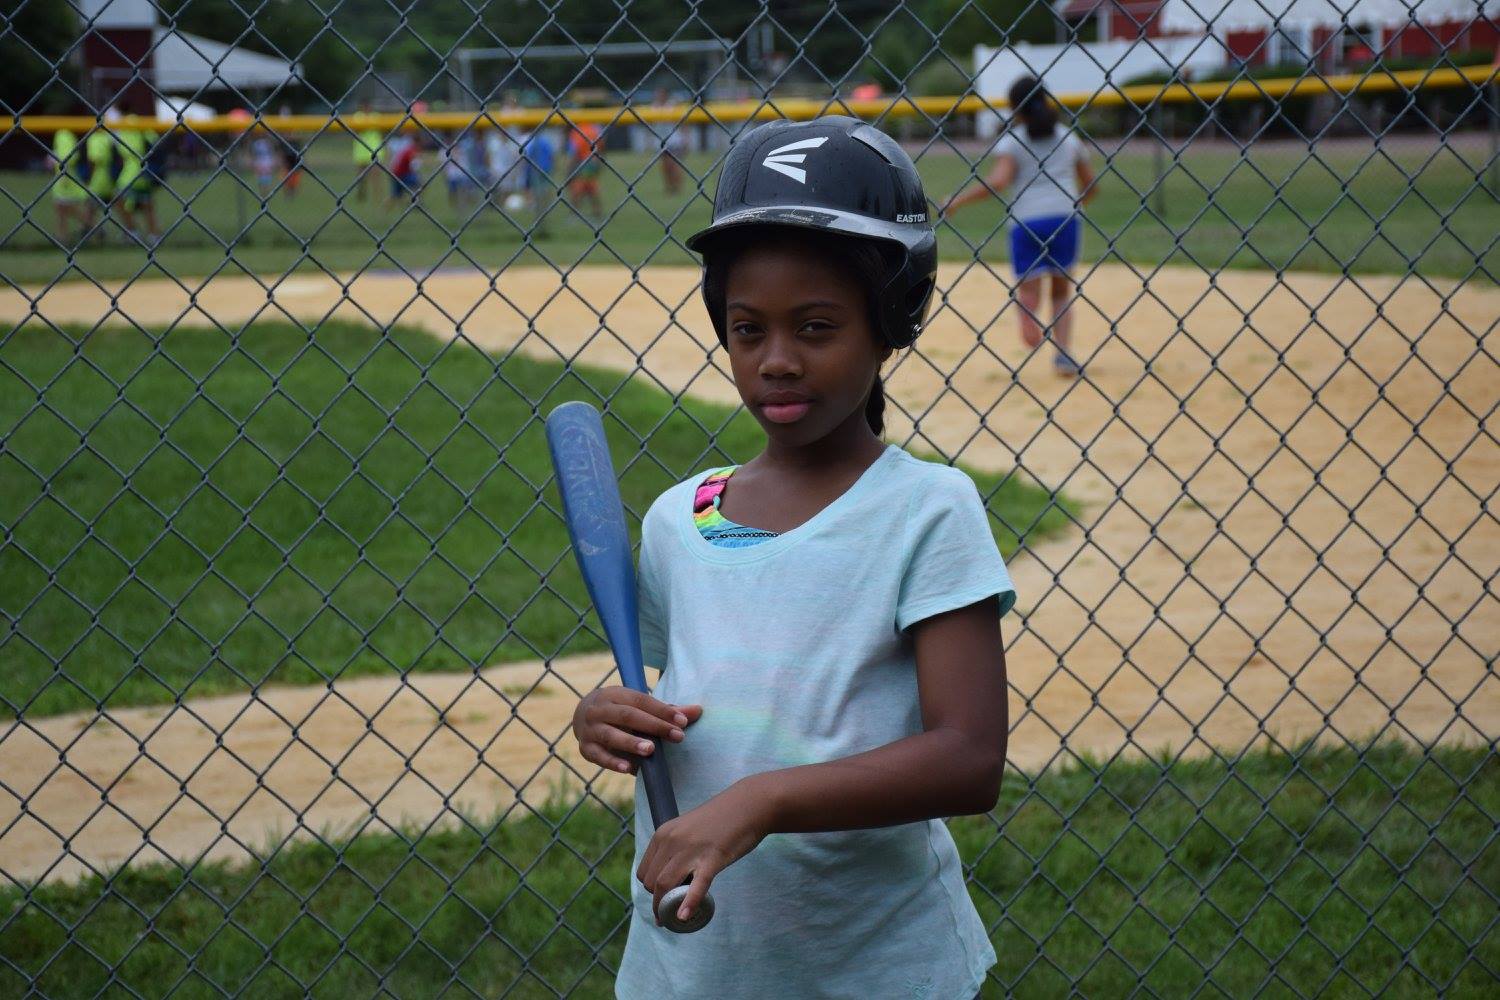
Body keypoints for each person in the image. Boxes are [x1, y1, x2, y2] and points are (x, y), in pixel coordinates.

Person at [570, 116, 1013, 999]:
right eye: (748, 330)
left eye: (816, 328)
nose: (776, 361)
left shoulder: (927, 510)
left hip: (876, 968)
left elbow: (969, 758)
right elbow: (682, 692)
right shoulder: (681, 518)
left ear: (889, 324)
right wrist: (605, 717)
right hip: (694, 968)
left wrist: (762, 800)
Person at [944, 75, 1097, 378]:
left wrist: (957, 200)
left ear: (1016, 109)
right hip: (1064, 216)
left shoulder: (1013, 141)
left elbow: (998, 182)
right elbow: (1090, 183)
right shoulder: (1067, 137)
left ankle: (1028, 310)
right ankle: (1063, 355)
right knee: (1061, 291)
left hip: (1027, 220)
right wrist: (1075, 204)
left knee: (1029, 286)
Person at [49, 127, 89, 244]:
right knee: (61, 208)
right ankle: (62, 236)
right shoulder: (63, 134)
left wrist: (64, 176)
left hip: (66, 178)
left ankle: (90, 225)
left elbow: (67, 157)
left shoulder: (63, 134)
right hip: (62, 177)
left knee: (64, 207)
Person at [564, 120, 604, 220]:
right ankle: (597, 211)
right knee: (590, 186)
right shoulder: (594, 129)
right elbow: (601, 146)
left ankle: (574, 213)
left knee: (578, 187)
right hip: (594, 162)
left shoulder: (576, 132)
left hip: (582, 162)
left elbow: (573, 152)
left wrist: (568, 168)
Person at [520, 127, 555, 234]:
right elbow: (551, 155)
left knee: (536, 189)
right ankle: (544, 205)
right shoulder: (545, 140)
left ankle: (537, 205)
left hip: (536, 169)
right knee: (544, 188)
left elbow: (527, 156)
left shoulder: (533, 141)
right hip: (545, 168)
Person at [651, 87, 686, 195]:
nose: (658, 96)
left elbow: (682, 121)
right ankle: (669, 186)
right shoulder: (654, 107)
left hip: (673, 140)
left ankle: (677, 186)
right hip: (660, 141)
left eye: (660, 94)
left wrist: (685, 138)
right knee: (665, 166)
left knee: (673, 164)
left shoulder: (672, 105)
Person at [351, 102, 385, 202]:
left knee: (376, 176)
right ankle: (361, 195)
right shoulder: (357, 116)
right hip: (361, 149)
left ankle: (377, 197)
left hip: (375, 148)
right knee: (361, 177)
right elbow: (356, 130)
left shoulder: (376, 116)